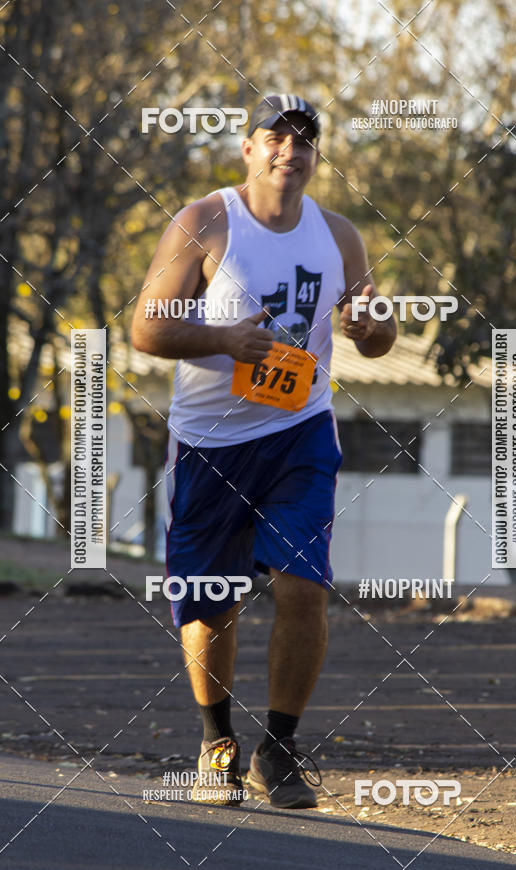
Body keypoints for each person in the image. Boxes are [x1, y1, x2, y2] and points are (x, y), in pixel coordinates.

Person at [131, 93, 396, 809]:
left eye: (304, 139)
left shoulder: (339, 237)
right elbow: (146, 330)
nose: (290, 148)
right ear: (248, 148)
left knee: (302, 585)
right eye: (276, 136)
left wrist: (375, 324)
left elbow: (375, 334)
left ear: (316, 156)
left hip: (298, 432)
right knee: (210, 603)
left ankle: (278, 749)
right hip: (211, 444)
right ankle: (218, 739)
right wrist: (222, 338)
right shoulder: (204, 222)